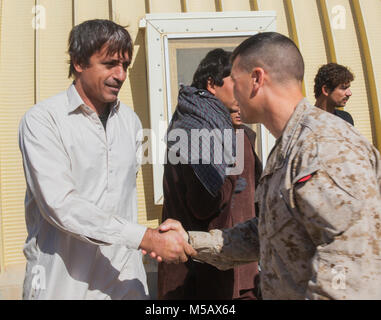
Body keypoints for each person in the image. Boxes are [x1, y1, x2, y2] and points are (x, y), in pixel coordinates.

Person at [158, 32, 381, 299]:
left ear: (256, 79)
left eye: (235, 80)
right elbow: (265, 232)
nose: (232, 92)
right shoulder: (288, 146)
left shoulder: (326, 148)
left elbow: (348, 269)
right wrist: (192, 241)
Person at [18, 19, 194, 300]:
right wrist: (146, 238)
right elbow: (61, 205)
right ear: (78, 62)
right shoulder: (43, 120)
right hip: (62, 284)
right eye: (110, 63)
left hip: (124, 282)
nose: (120, 75)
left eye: (125, 65)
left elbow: (121, 200)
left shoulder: (130, 122)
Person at [157, 49, 262, 300]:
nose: (241, 91)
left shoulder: (212, 127)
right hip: (194, 274)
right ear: (211, 85)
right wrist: (231, 172)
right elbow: (204, 205)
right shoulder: (197, 132)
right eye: (234, 82)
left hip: (225, 264)